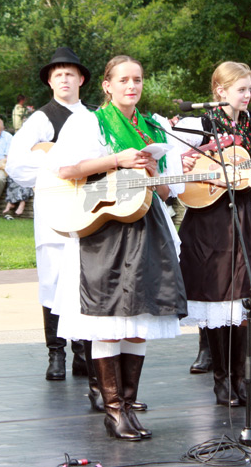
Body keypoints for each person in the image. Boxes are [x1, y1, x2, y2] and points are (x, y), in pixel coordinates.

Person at [46, 55, 196, 441]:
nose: (132, 86)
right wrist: (117, 159)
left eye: (138, 80)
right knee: (108, 320)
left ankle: (129, 406)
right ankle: (113, 411)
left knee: (139, 320)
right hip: (105, 227)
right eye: (124, 80)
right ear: (108, 86)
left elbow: (167, 191)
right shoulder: (89, 121)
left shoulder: (153, 127)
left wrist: (152, 170)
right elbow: (64, 169)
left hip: (148, 224)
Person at [172, 61, 251, 407]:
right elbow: (177, 170)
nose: (247, 95)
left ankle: (241, 382)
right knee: (218, 302)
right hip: (210, 222)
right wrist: (207, 174)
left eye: (249, 89)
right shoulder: (197, 125)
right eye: (241, 89)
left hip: (248, 221)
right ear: (220, 90)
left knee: (243, 305)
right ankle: (221, 382)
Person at [6, 48, 93, 392]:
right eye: (58, 75)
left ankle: (83, 351)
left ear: (81, 79)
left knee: (85, 280)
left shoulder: (94, 117)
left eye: (70, 74)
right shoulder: (41, 119)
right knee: (53, 280)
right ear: (49, 81)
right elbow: (16, 163)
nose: (64, 79)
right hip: (54, 209)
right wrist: (59, 164)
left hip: (88, 209)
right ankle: (55, 352)